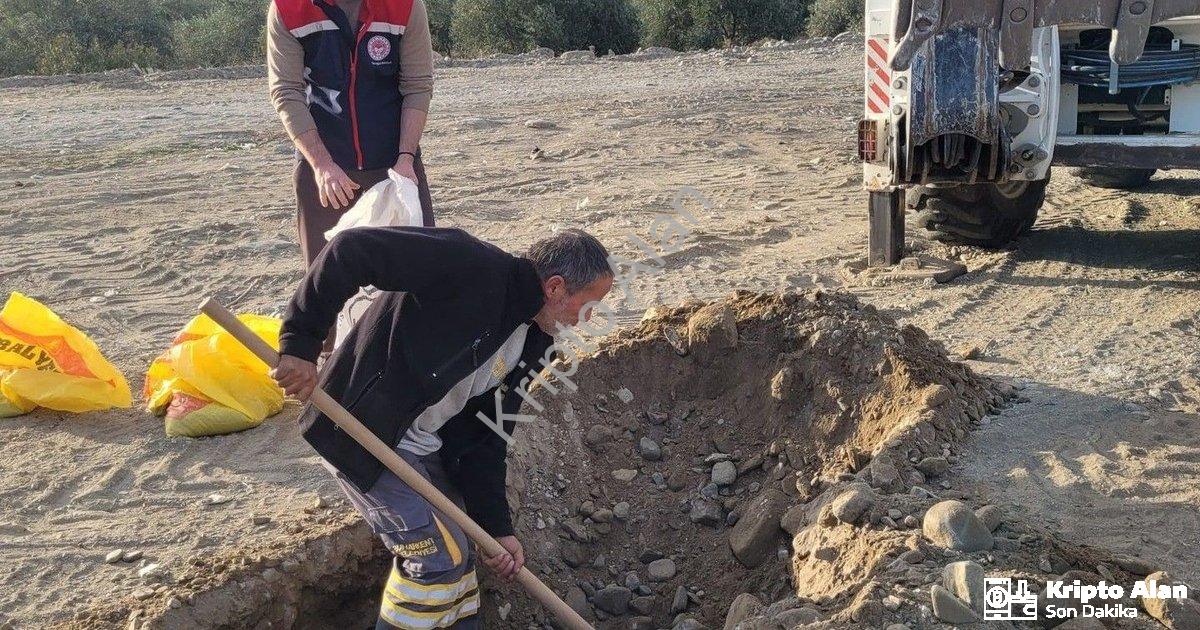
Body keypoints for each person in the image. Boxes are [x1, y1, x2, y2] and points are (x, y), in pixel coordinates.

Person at [270, 227, 613, 629]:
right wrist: (300, 343)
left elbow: (487, 438)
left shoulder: (536, 343)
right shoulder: (469, 265)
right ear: (555, 287)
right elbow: (350, 250)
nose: (587, 319)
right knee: (437, 556)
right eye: (589, 306)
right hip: (359, 429)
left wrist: (496, 528)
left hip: (421, 444)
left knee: (461, 552)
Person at [267, 0, 437, 268]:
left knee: (420, 270)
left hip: (396, 163)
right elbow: (286, 92)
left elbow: (417, 85)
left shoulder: (406, 5)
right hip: (326, 169)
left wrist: (406, 158)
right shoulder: (288, 7)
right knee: (327, 278)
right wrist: (322, 165)